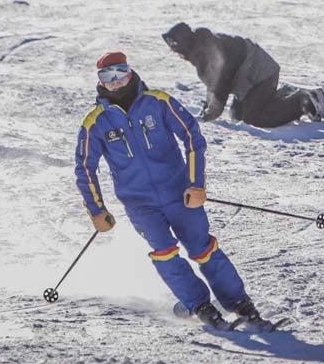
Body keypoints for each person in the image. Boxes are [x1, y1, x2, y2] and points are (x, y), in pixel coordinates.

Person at [74, 51, 265, 329]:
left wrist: (196, 184)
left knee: (203, 249)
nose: (115, 81)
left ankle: (238, 302)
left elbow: (192, 137)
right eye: (107, 76)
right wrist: (96, 210)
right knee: (164, 251)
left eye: (120, 72)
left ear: (130, 72)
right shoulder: (96, 123)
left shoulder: (158, 102)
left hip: (180, 194)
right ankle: (199, 304)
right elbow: (85, 168)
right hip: (141, 204)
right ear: (100, 81)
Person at [161, 22, 324, 128]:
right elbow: (214, 85)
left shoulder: (206, 48)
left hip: (260, 73)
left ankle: (306, 100)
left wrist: (212, 112)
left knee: (254, 118)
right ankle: (286, 94)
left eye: (175, 47)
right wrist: (208, 109)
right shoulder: (200, 51)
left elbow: (222, 82)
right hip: (250, 80)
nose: (175, 52)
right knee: (238, 116)